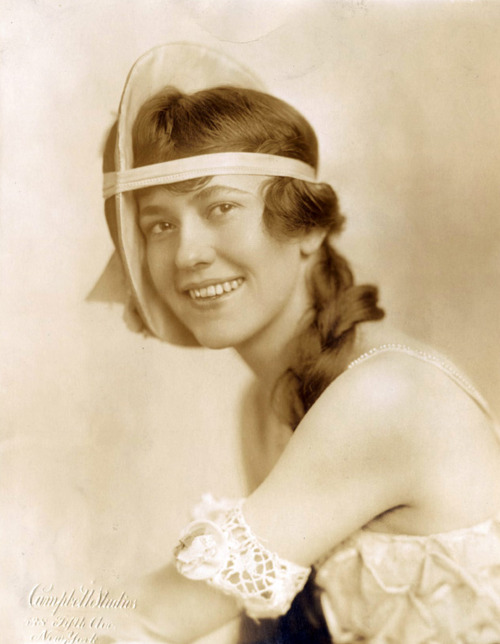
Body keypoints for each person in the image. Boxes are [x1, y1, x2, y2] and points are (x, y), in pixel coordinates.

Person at [97, 43, 500, 643]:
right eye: (160, 224)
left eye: (221, 207)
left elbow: (152, 617)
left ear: (306, 225)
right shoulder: (262, 408)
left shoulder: (386, 395)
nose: (187, 253)